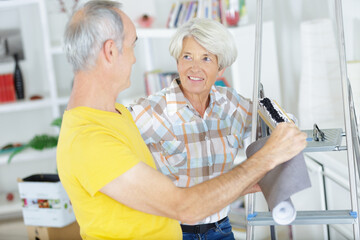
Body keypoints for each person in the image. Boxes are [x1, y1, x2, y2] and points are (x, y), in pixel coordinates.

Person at [56, 1, 307, 240]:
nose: (134, 58)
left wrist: (245, 183)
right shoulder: (90, 140)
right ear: (111, 51)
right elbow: (184, 207)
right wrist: (267, 157)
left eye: (206, 58)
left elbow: (156, 199)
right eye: (133, 45)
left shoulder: (116, 116)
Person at [127, 18, 285, 239]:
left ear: (221, 69)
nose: (194, 67)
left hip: (221, 229)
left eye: (206, 58)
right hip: (172, 231)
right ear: (178, 61)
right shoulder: (151, 111)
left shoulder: (232, 105)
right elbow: (111, 145)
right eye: (187, 56)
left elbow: (276, 124)